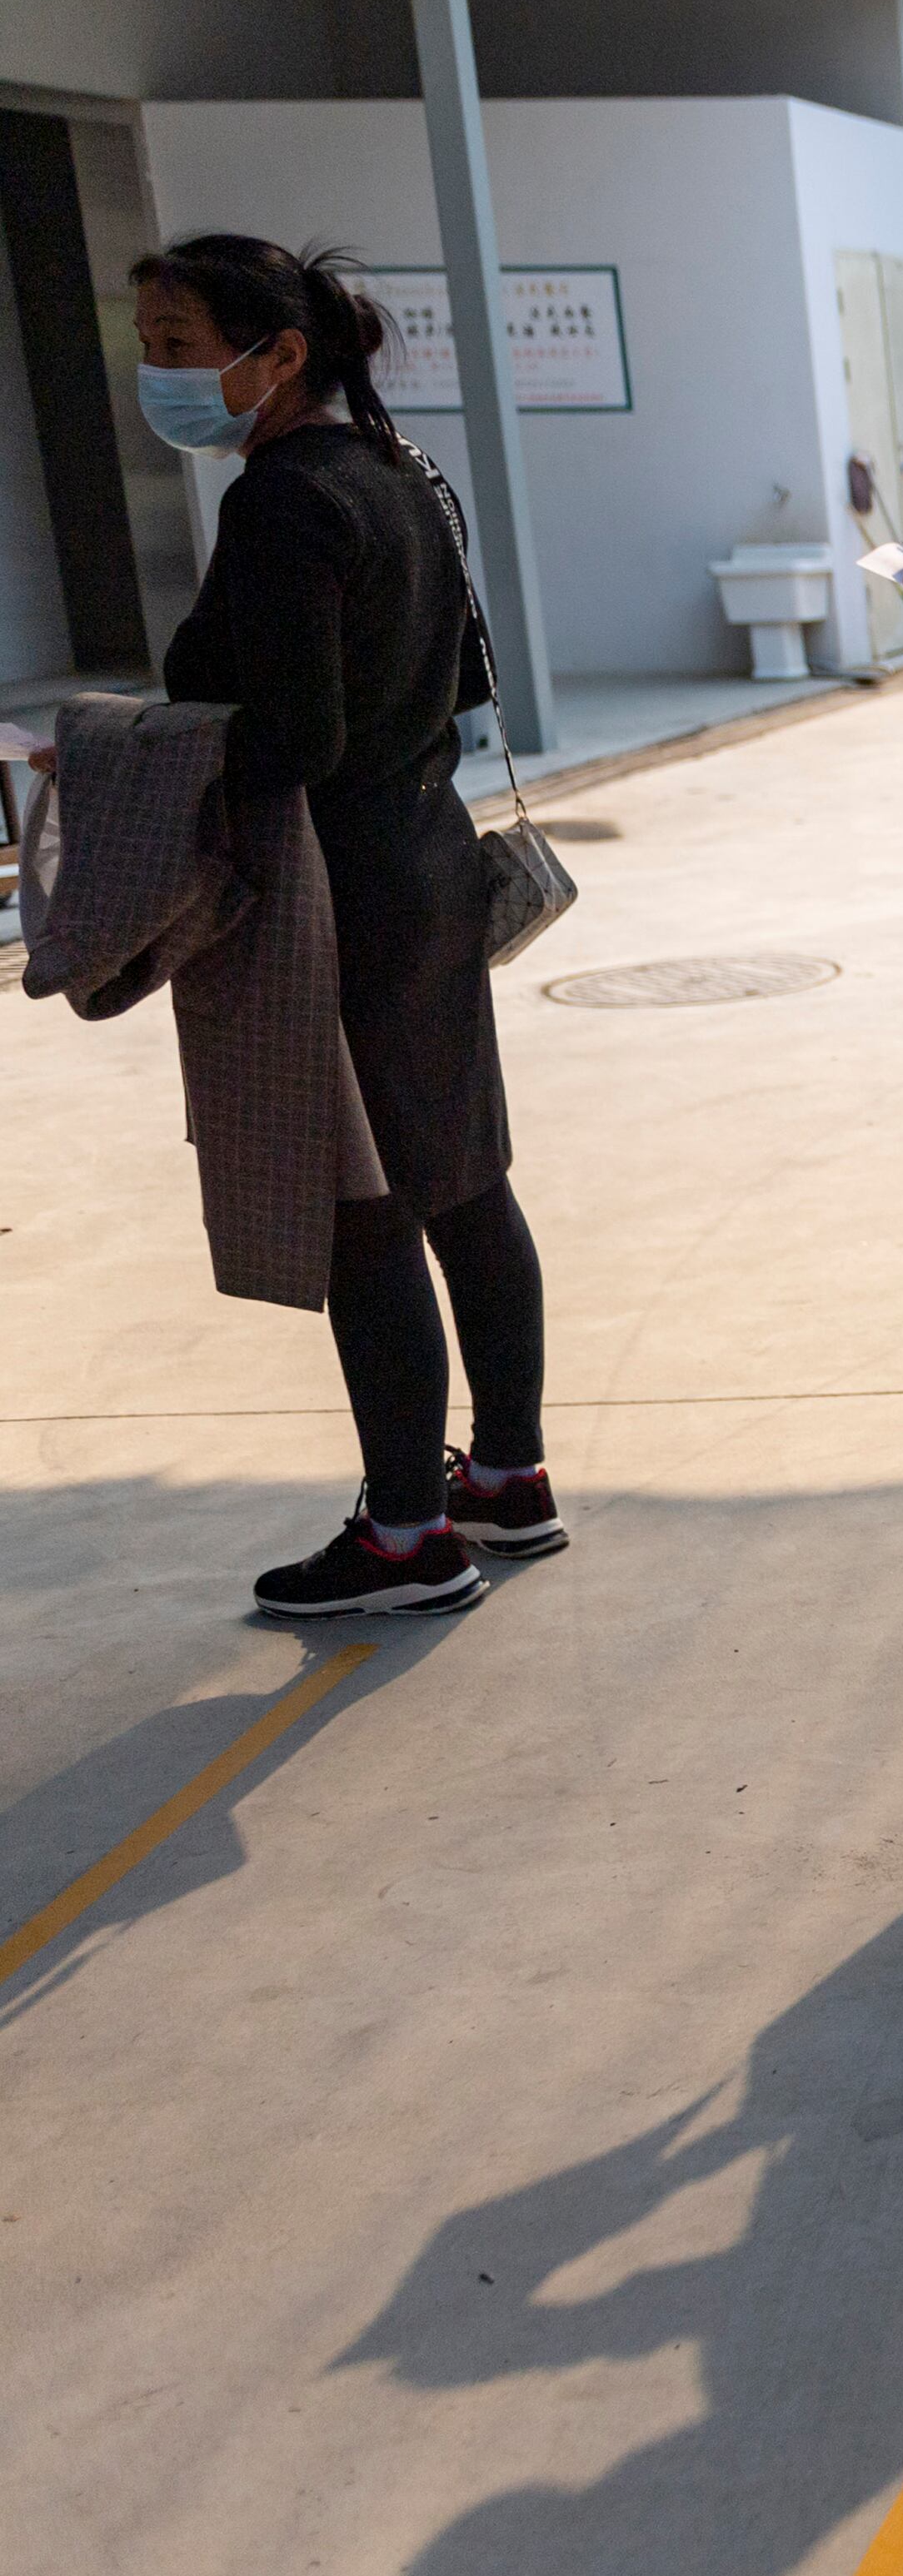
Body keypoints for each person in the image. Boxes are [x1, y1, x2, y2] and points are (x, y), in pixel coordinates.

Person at [128, 236, 557, 1619]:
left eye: (180, 341)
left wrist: (128, 758)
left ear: (281, 353)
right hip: (424, 850)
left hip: (337, 880)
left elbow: (295, 732)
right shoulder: (400, 469)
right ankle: (504, 1475)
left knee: (365, 1208)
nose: (159, 372)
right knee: (462, 1173)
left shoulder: (283, 501)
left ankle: (405, 1535)